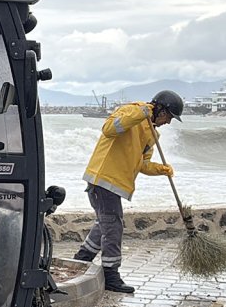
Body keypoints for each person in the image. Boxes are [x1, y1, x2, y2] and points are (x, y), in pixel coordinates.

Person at [74, 90, 184, 293]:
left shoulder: (153, 134)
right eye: (168, 117)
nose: (168, 122)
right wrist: (139, 114)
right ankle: (111, 275)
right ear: (160, 109)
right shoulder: (130, 111)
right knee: (113, 227)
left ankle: (82, 259)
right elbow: (109, 129)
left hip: (116, 184)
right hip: (102, 178)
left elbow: (143, 164)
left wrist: (161, 169)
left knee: (106, 224)